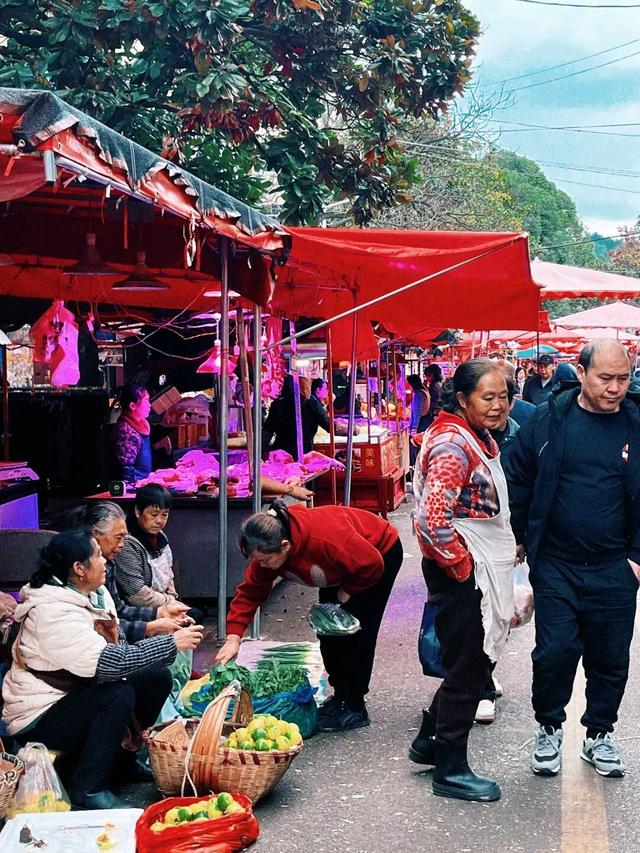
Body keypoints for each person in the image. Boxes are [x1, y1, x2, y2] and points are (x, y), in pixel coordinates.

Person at [504, 339, 639, 779]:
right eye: (606, 378)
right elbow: (516, 477)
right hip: (557, 564)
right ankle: (548, 727)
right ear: (581, 374)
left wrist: (636, 560)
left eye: (623, 378)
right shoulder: (549, 419)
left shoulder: (637, 425)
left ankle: (599, 734)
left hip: (615, 567)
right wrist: (521, 538)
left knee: (611, 658)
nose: (616, 388)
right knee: (554, 653)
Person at [1, 529, 203, 809]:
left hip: (77, 692)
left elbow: (116, 633)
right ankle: (89, 788)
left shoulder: (93, 593)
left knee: (155, 678)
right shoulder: (53, 612)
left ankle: (122, 763)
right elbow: (109, 663)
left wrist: (156, 624)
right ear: (79, 569)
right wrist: (170, 644)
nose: (105, 561)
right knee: (116, 694)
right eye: (97, 555)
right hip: (40, 714)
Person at [410, 358, 516, 803]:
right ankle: (450, 769)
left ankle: (427, 742)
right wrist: (461, 567)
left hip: (471, 566)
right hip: (462, 570)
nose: (498, 405)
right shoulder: (454, 445)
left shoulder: (475, 435)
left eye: (504, 396)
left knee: (468, 661)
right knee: (469, 669)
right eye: (487, 397)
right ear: (463, 400)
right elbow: (431, 521)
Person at [215, 500, 403, 733]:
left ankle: (355, 705)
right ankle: (340, 696)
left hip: (377, 557)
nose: (261, 565)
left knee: (357, 633)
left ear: (285, 547)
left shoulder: (324, 539)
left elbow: (372, 563)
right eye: (258, 560)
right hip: (337, 569)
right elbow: (250, 592)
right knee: (329, 631)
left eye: (265, 560)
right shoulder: (268, 551)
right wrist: (234, 637)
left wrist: (348, 591)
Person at [69, 501, 193, 641]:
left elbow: (117, 610)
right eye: (118, 537)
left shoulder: (108, 564)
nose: (122, 545)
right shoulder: (77, 573)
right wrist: (150, 626)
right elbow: (100, 626)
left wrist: (160, 612)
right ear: (95, 534)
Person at [114, 485, 203, 624]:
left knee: (195, 616)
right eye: (154, 514)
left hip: (163, 603)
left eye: (165, 514)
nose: (160, 521)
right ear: (138, 511)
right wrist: (170, 603)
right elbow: (137, 595)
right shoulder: (127, 544)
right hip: (138, 611)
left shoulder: (160, 537)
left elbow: (168, 574)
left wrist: (173, 599)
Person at [107, 382, 171, 483]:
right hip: (135, 488)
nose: (149, 405)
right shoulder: (125, 431)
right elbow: (125, 470)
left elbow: (141, 457)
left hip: (144, 482)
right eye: (146, 401)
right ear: (132, 405)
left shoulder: (142, 425)